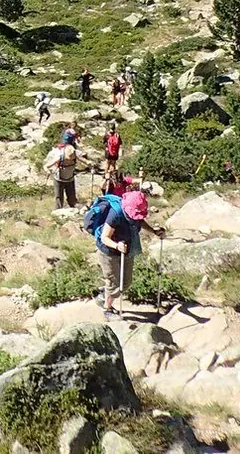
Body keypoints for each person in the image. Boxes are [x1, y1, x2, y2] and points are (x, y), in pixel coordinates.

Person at [95, 189, 161, 317]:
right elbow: (104, 237)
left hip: (127, 249)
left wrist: (153, 231)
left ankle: (104, 295)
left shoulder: (133, 214)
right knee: (114, 284)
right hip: (108, 252)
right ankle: (107, 310)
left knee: (125, 282)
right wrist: (116, 245)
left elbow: (139, 221)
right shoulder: (116, 214)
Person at [46, 130, 79, 209]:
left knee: (72, 199)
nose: (71, 156)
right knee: (59, 198)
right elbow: (47, 165)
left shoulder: (73, 154)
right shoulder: (59, 156)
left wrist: (90, 164)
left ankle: (72, 209)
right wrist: (48, 170)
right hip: (59, 179)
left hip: (69, 178)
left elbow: (83, 160)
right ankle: (59, 212)